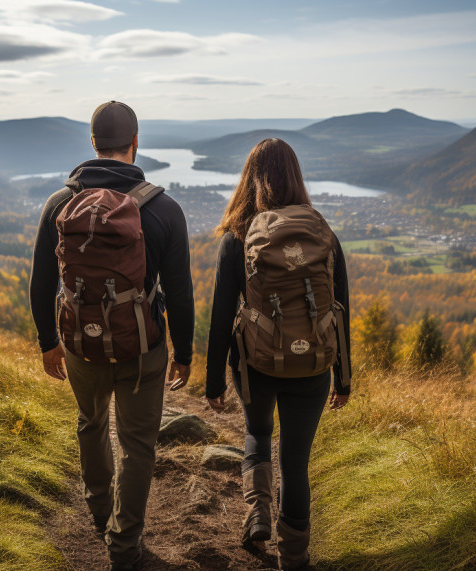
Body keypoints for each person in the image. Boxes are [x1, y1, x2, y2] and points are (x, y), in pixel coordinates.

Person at [29, 101, 195, 571]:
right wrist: (183, 352)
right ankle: (124, 546)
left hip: (81, 344)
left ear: (93, 144)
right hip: (143, 348)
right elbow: (180, 292)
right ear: (136, 142)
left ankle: (101, 517)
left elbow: (42, 282)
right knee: (138, 444)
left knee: (91, 423)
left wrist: (48, 342)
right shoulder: (163, 209)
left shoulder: (59, 205)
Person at [204, 138, 350, 570]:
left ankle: (257, 515)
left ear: (250, 179)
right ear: (297, 177)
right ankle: (295, 558)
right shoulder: (323, 234)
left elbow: (218, 318)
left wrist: (213, 383)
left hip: (255, 364)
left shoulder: (237, 237)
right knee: (296, 462)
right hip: (312, 367)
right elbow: (340, 310)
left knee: (258, 433)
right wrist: (343, 379)